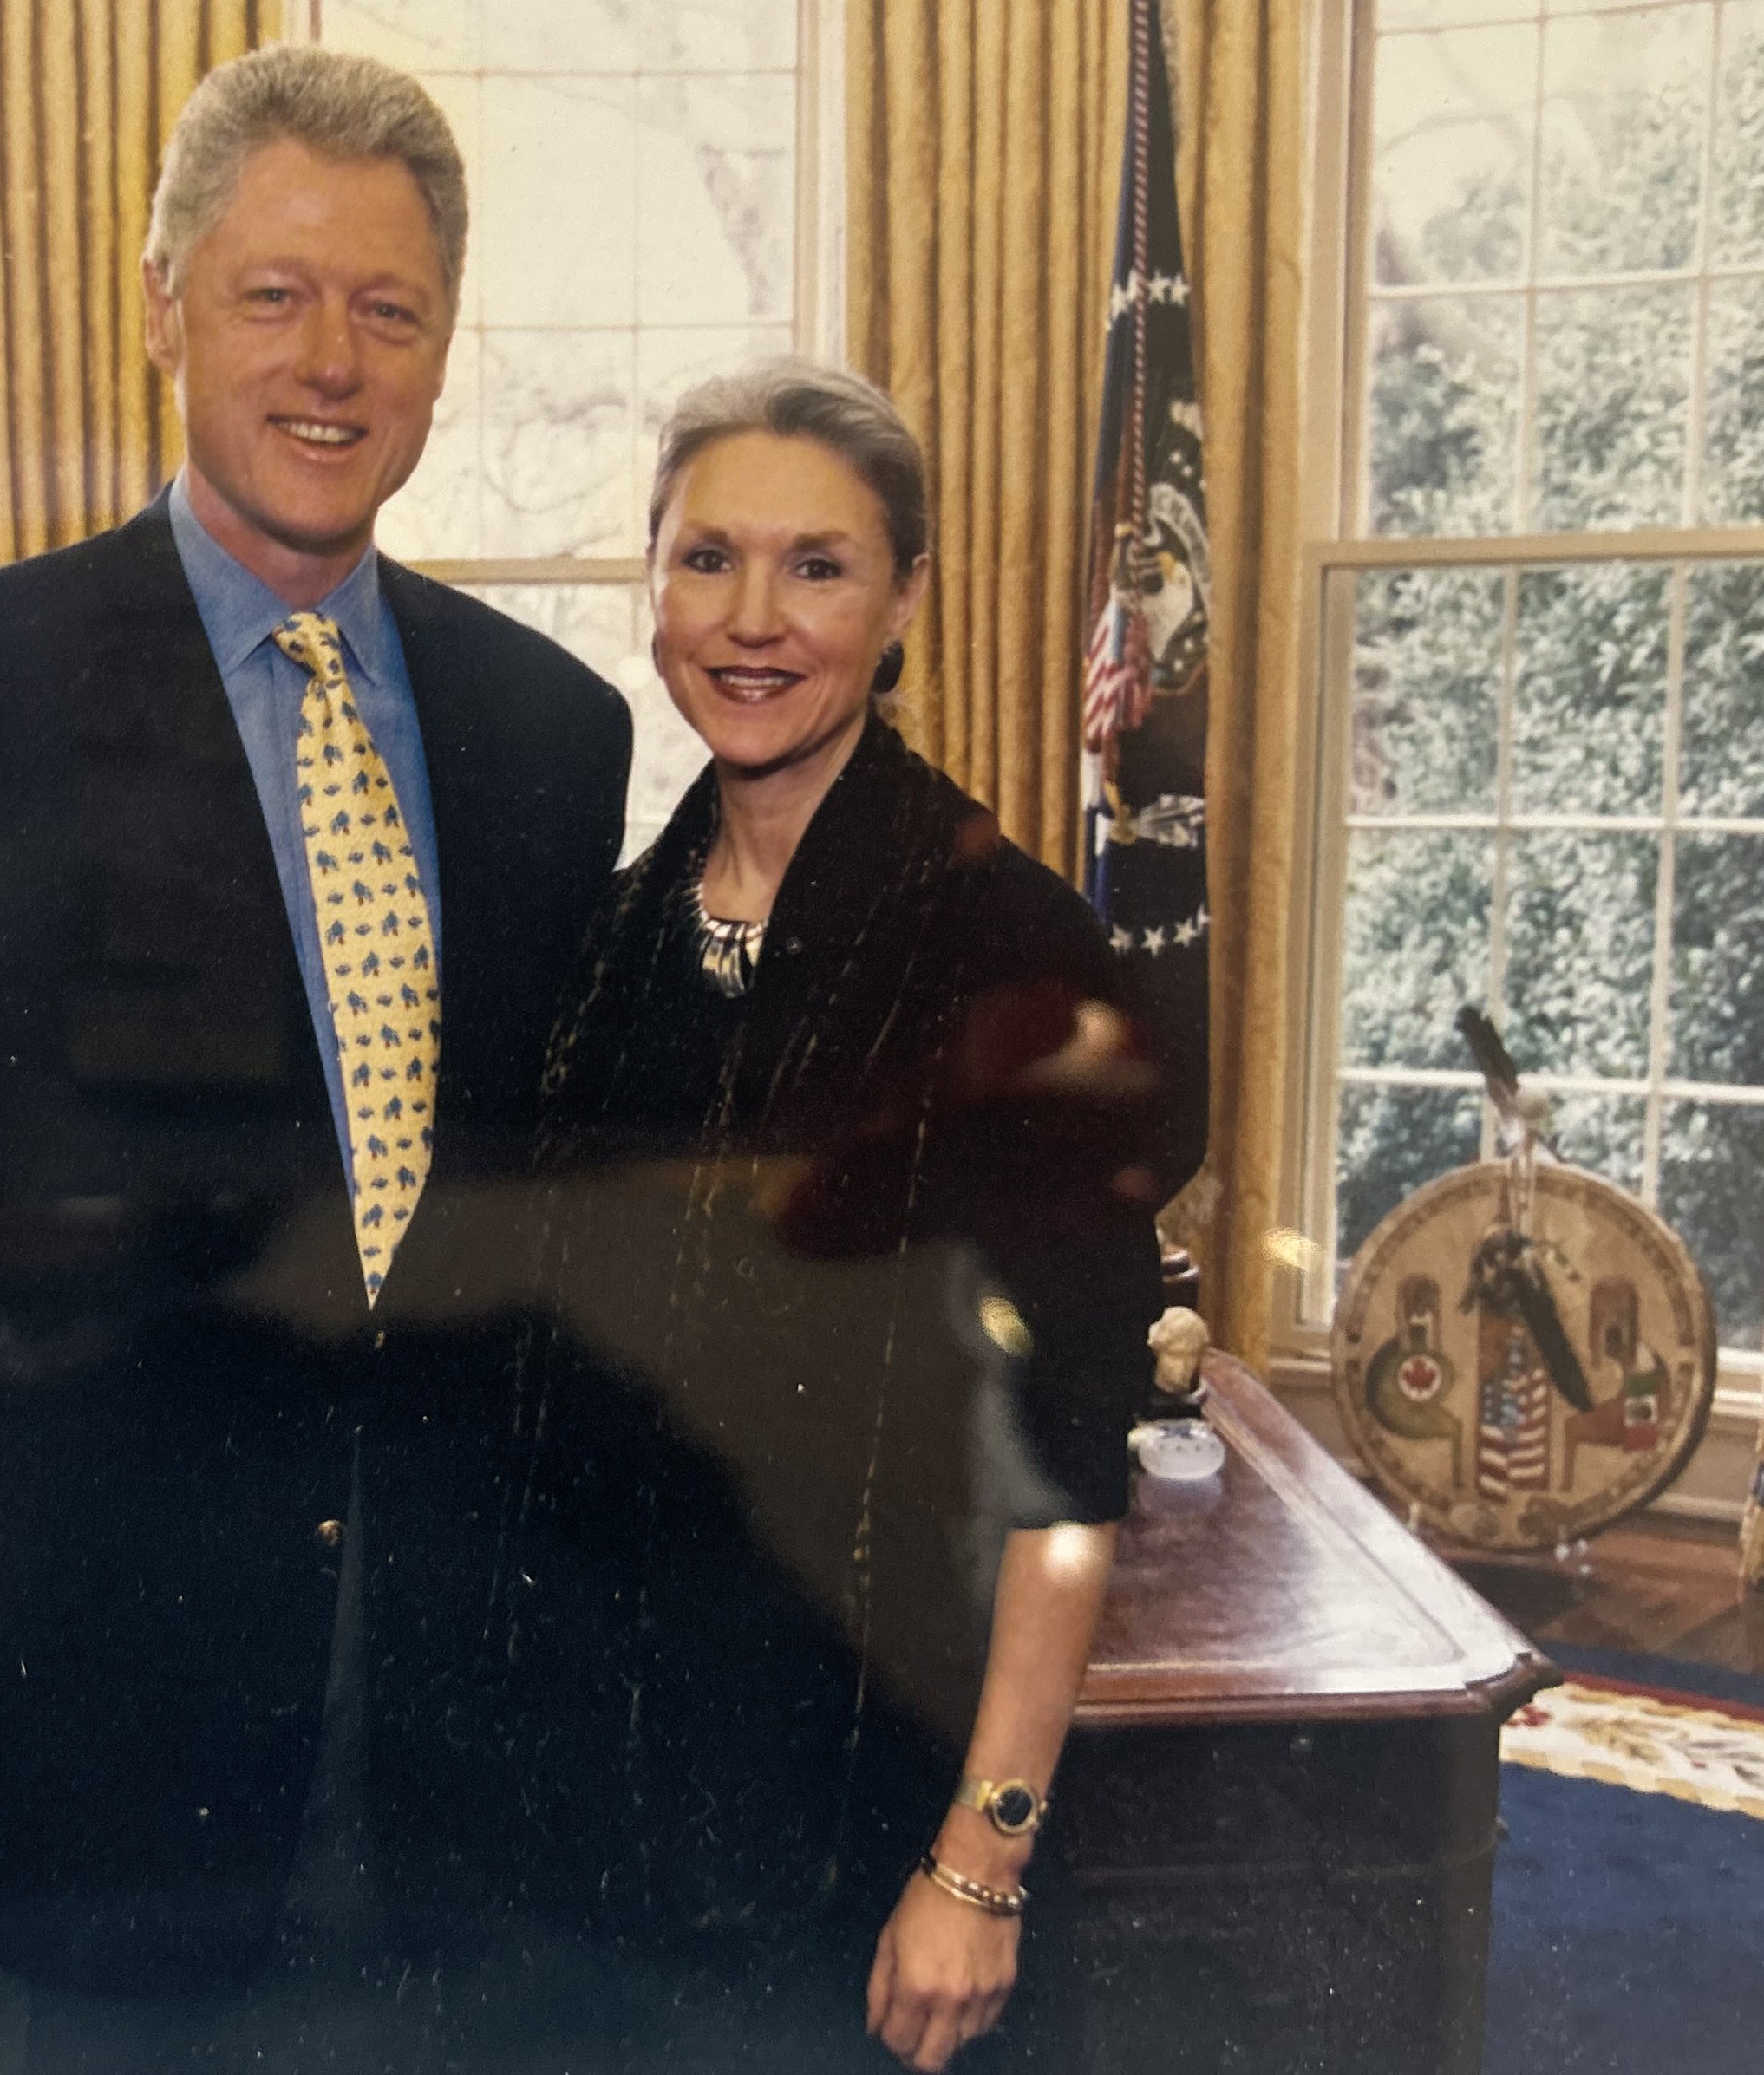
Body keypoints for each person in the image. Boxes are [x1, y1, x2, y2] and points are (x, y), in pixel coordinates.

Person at [0, 39, 630, 2057]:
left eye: (387, 310)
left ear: (440, 350)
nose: (332, 360)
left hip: (443, 1762)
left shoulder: (544, 739)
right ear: (161, 310)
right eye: (274, 293)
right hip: (72, 1761)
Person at [472, 362, 1165, 2072]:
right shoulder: (610, 947)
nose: (751, 620)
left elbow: (1068, 1470)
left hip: (867, 1844)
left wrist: (981, 1860)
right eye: (705, 559)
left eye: (818, 567)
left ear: (906, 597)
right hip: (591, 1834)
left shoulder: (1015, 952)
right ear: (648, 582)